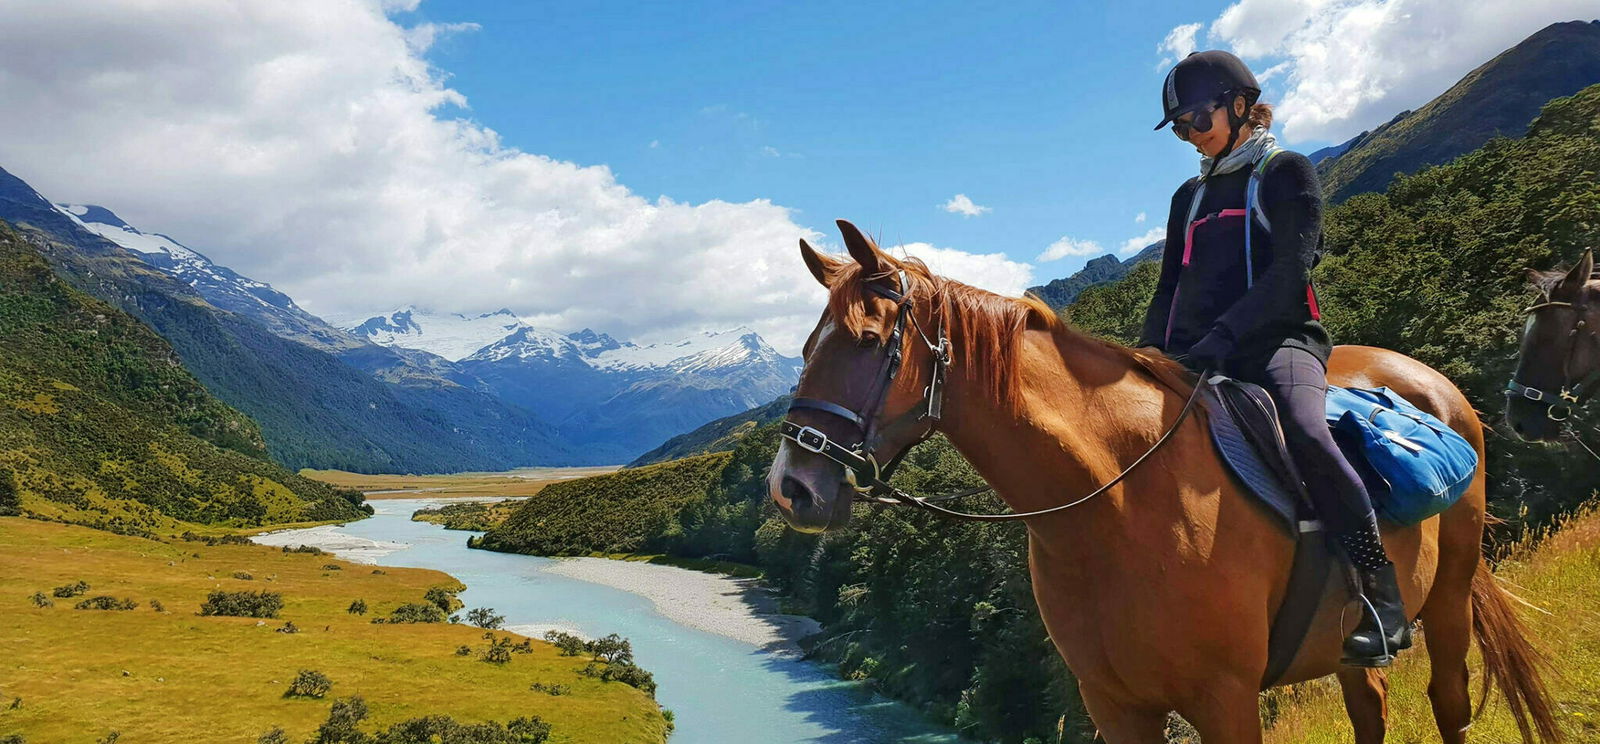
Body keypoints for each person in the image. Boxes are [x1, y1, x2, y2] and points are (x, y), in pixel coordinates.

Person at [1138, 49, 1410, 666]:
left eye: (1196, 120)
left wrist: (1225, 338)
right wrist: (1150, 351)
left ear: (1239, 107)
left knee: (1308, 431)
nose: (1190, 136)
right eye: (1179, 128)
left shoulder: (1285, 173)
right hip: (1197, 353)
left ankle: (1381, 594)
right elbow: (1168, 287)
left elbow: (1291, 271)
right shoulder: (1189, 196)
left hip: (1279, 342)